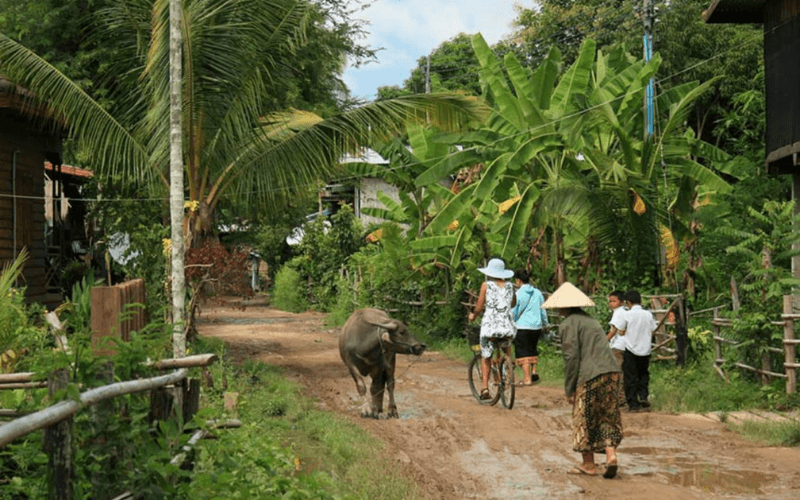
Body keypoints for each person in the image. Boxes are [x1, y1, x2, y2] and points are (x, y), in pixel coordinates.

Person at [542, 281, 622, 479]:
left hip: (590, 374)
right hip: (612, 371)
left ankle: (588, 464)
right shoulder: (591, 321)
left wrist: (570, 388)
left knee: (583, 417)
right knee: (606, 414)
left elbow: (571, 358)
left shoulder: (568, 324)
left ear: (562, 306)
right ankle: (611, 455)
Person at [468, 258, 517, 400]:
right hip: (507, 326)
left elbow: (479, 306)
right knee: (506, 345)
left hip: (491, 326)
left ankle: (484, 388)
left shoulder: (486, 285)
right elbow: (513, 303)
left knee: (486, 355)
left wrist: (473, 315)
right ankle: (508, 367)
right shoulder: (510, 286)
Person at [616, 290, 658, 412]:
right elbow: (653, 330)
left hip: (631, 349)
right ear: (640, 301)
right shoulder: (648, 314)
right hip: (645, 350)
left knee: (630, 377)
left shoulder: (627, 315)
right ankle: (643, 396)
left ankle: (633, 403)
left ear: (628, 302)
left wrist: (625, 332)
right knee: (643, 374)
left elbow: (620, 330)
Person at [512, 268, 548, 385]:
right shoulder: (537, 293)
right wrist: (545, 323)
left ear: (518, 281)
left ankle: (527, 379)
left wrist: (512, 321)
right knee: (532, 348)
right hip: (536, 327)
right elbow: (543, 311)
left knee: (523, 352)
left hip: (522, 326)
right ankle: (533, 371)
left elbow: (514, 311)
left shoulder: (517, 294)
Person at [606, 290, 628, 405]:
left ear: (621, 302)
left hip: (618, 346)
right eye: (610, 301)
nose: (611, 303)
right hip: (625, 346)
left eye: (614, 301)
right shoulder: (625, 311)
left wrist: (604, 341)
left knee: (617, 372)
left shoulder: (619, 312)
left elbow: (613, 330)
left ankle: (619, 398)